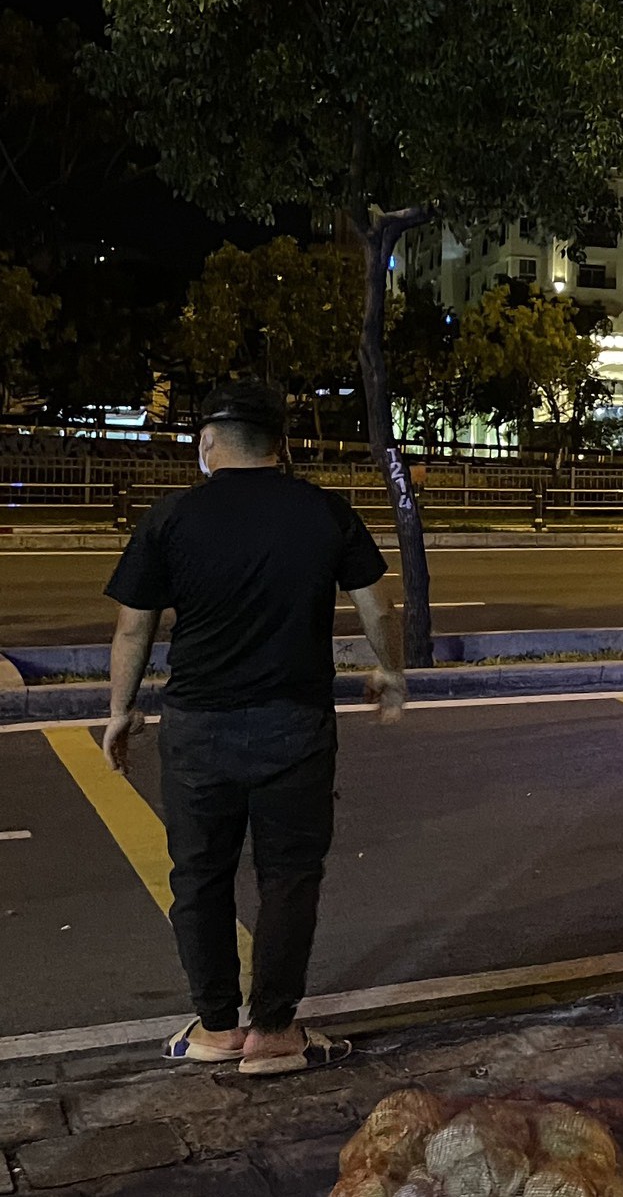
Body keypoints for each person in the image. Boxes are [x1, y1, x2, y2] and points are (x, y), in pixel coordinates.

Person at [100, 381, 404, 1076]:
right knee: (289, 877)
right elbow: (379, 608)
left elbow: (132, 626)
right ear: (283, 446)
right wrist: (390, 672)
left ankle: (213, 1027)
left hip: (197, 727)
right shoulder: (324, 512)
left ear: (207, 443)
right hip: (293, 725)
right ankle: (272, 1033)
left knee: (199, 875)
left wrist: (121, 710)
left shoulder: (173, 517)